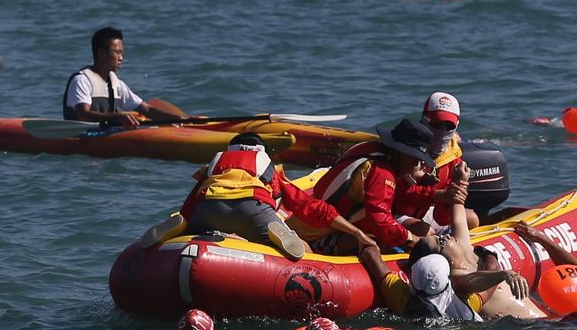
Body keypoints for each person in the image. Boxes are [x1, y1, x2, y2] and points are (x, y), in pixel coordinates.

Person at [146, 133, 379, 261]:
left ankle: (177, 232)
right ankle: (285, 240)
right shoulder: (268, 168)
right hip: (252, 208)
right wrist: (356, 232)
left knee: (191, 221)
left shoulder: (215, 165)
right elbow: (308, 207)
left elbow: (191, 203)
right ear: (263, 153)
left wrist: (186, 220)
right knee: (304, 249)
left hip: (208, 209)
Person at [402, 167, 543, 319]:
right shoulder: (454, 278)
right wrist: (503, 274)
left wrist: (461, 181)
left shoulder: (464, 248)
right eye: (441, 241)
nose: (446, 237)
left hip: (543, 318)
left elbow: (458, 217)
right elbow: (471, 281)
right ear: (442, 262)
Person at [309, 119, 440, 254]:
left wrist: (435, 195)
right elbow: (380, 221)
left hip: (322, 218)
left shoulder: (370, 150)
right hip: (317, 233)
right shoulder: (382, 172)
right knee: (378, 244)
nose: (416, 166)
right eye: (414, 160)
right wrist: (414, 241)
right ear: (400, 152)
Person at [64, 27, 185, 127]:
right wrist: (119, 117)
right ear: (101, 53)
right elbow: (83, 115)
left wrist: (179, 118)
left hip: (108, 137)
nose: (121, 58)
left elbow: (146, 110)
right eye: (117, 52)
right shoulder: (81, 81)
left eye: (121, 52)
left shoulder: (117, 84)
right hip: (82, 138)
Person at [393, 93, 478, 233]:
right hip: (393, 210)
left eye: (448, 126)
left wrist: (457, 190)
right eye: (437, 124)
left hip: (423, 212)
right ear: (424, 120)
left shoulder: (454, 158)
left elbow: (442, 218)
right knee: (425, 230)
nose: (442, 131)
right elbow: (399, 194)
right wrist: (440, 195)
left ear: (456, 126)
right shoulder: (407, 146)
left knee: (472, 219)